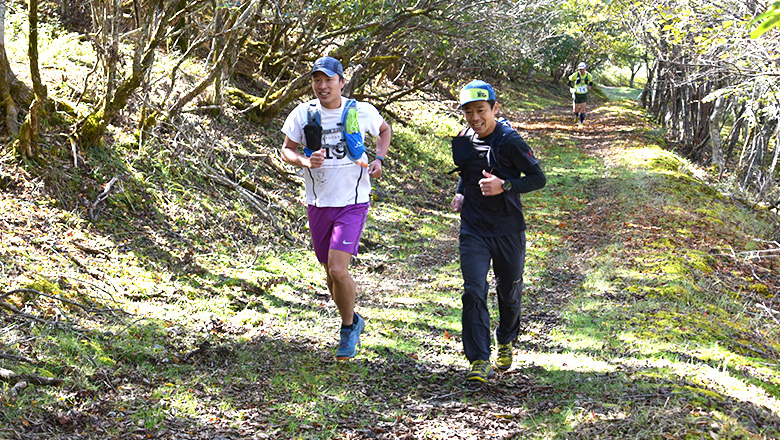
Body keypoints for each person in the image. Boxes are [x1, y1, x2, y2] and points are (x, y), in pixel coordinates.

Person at [281, 56, 391, 360]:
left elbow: (384, 130)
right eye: (317, 79)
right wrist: (304, 161)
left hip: (353, 202)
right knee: (330, 273)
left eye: (329, 80)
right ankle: (354, 319)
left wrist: (379, 158)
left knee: (339, 269)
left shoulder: (359, 111)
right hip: (318, 202)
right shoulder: (304, 114)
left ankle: (346, 331)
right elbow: (287, 149)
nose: (322, 85)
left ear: (342, 82)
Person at [450, 80, 546, 382]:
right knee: (473, 291)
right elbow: (467, 173)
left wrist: (504, 185)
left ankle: (505, 338)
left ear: (494, 108)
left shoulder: (510, 141)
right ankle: (479, 358)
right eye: (469, 112)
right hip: (474, 228)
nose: (475, 118)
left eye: (481, 110)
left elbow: (538, 178)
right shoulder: (465, 138)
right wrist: (462, 192)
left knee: (509, 292)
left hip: (508, 229)